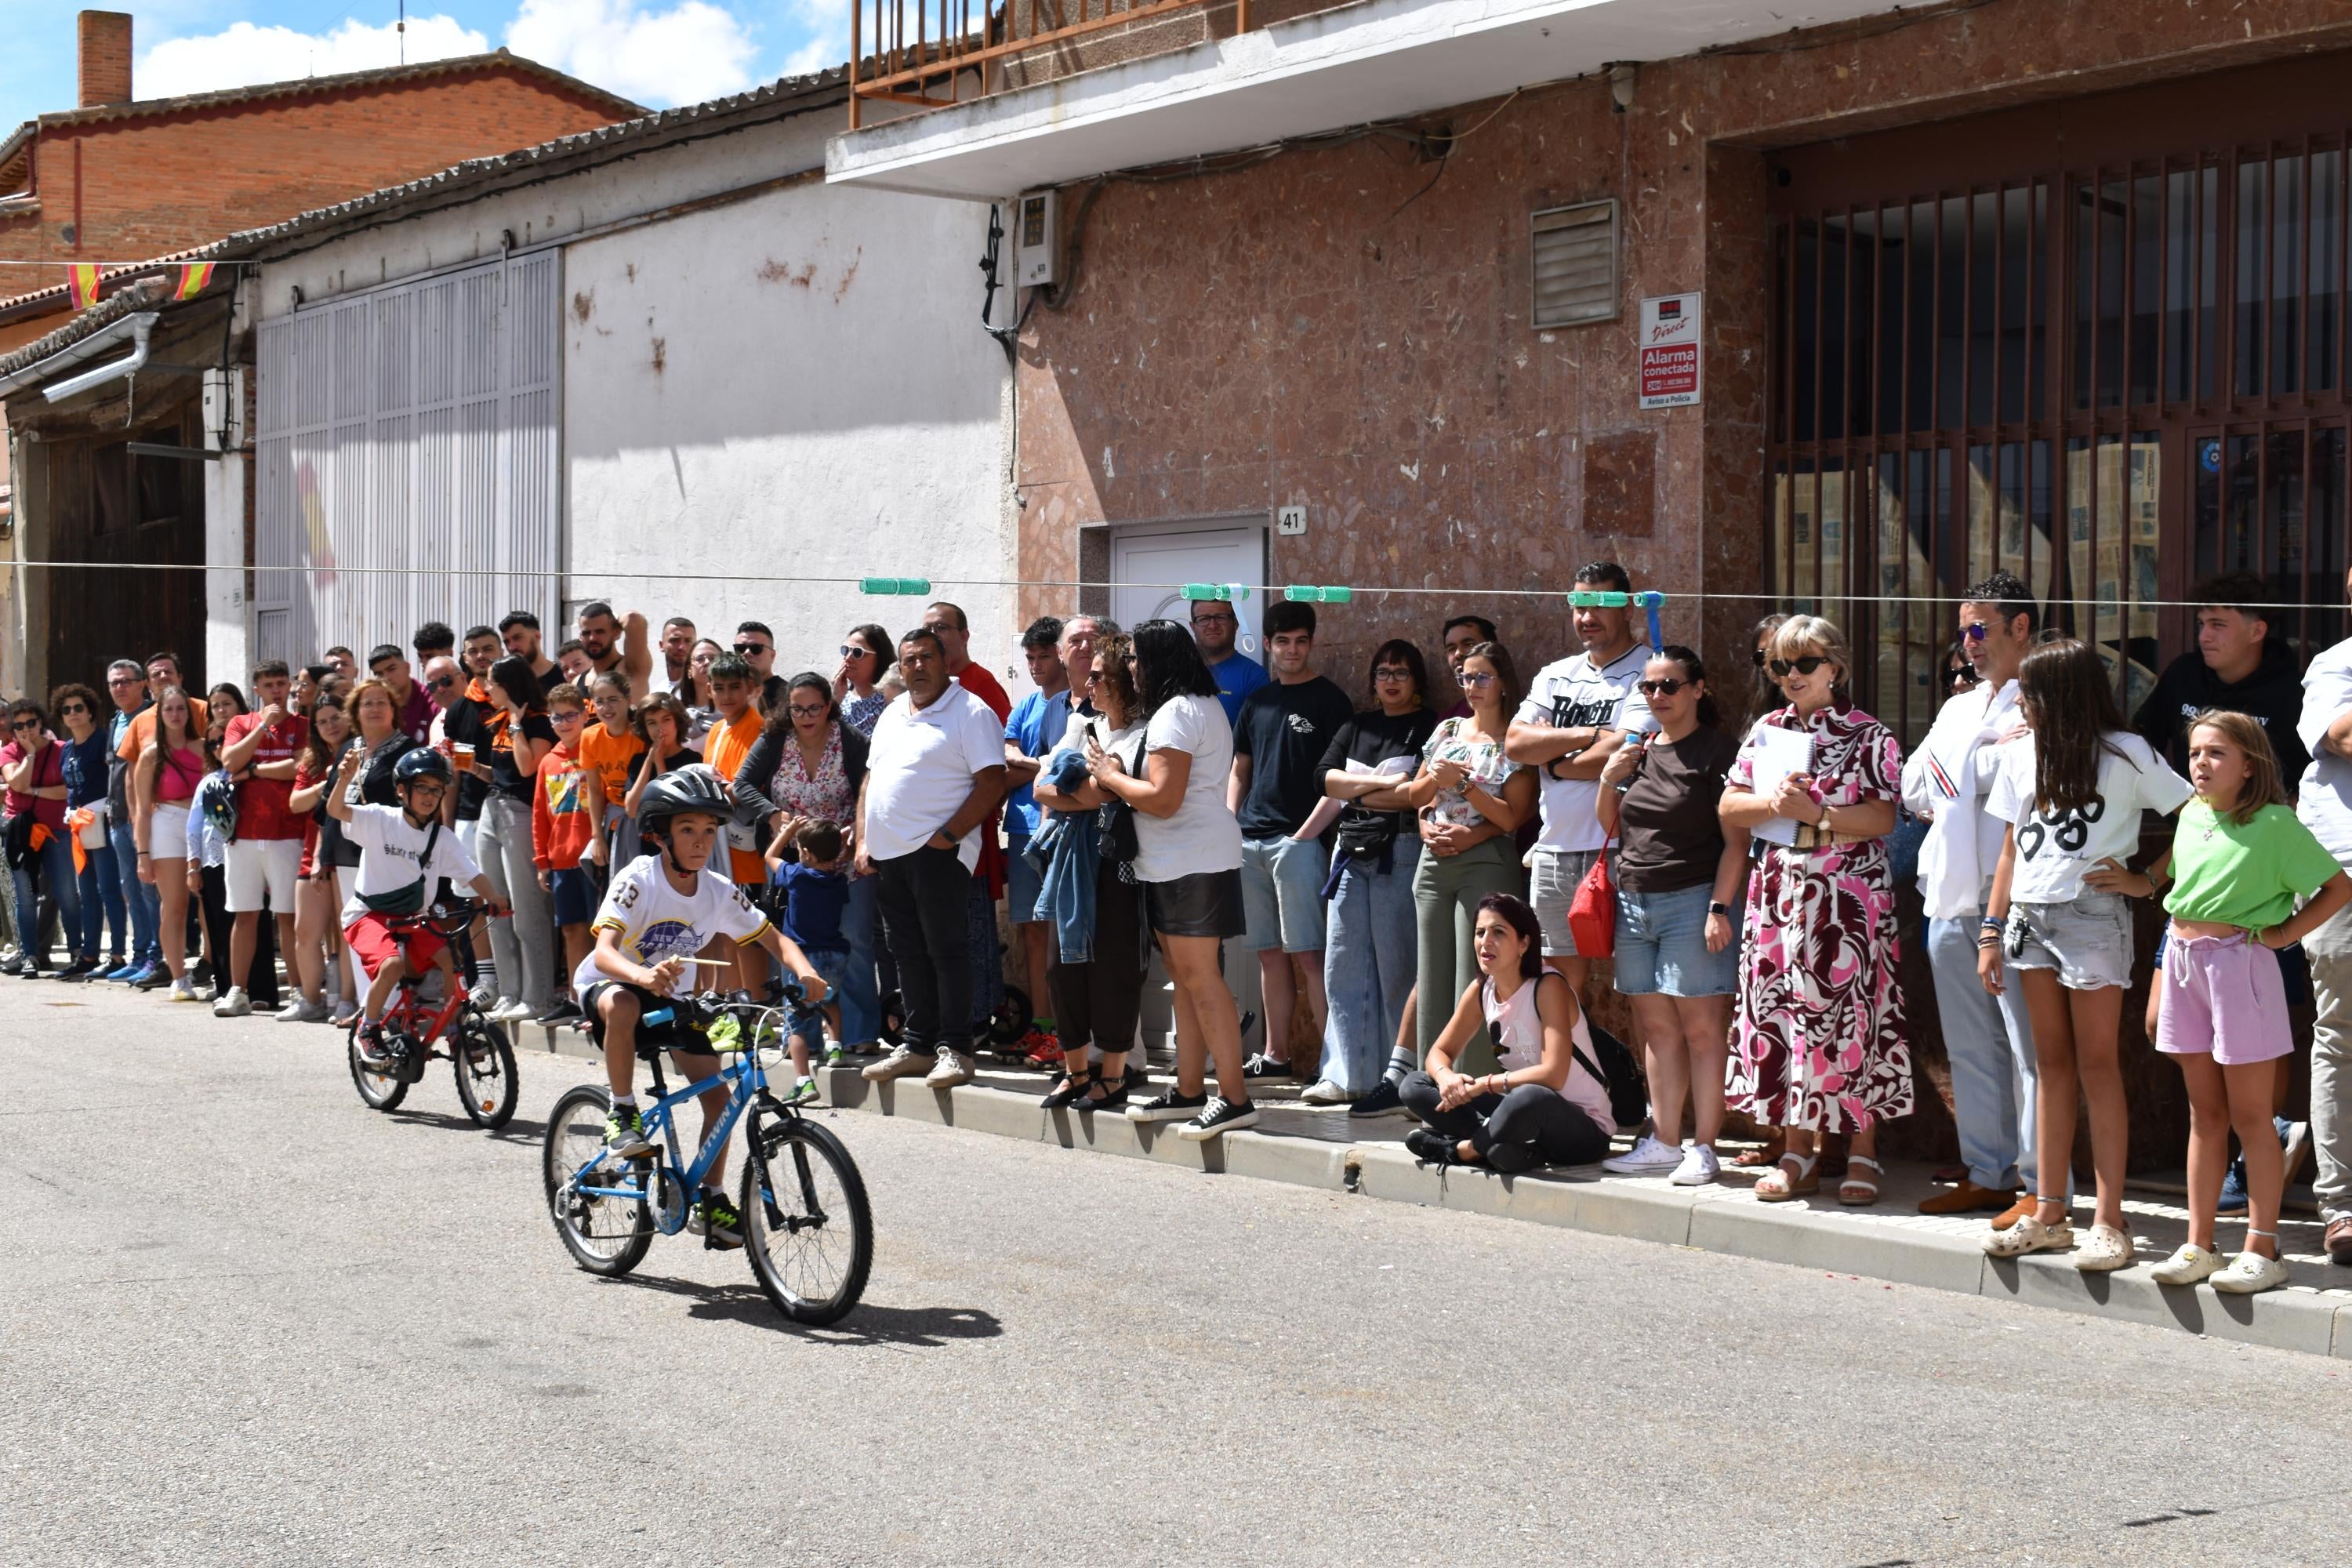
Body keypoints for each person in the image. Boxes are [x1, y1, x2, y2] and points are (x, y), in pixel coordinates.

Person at [2104, 712, 2343, 1294]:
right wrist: (2140, 883)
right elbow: (2174, 877)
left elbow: (2338, 886)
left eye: (2215, 753)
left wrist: (2284, 936)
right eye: (2194, 754)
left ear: (2249, 764)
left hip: (2242, 965)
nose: (2201, 765)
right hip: (2184, 964)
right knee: (2204, 1115)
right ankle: (2200, 1243)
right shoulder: (2192, 815)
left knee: (2251, 1117)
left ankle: (2263, 1247)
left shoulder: (2276, 824)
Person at [1979, 637, 2191, 1267]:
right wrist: (1991, 932)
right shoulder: (2021, 755)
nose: (2023, 703)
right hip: (2030, 918)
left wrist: (2148, 880)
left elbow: (2200, 815)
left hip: (2096, 917)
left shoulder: (2126, 753)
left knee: (2098, 1065)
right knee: (2051, 1066)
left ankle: (2108, 1218)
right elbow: (2012, 849)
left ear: (2063, 694)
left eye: (2032, 692)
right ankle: (2049, 1211)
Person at [582, 766, 830, 1248]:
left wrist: (805, 972)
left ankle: (710, 1199)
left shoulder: (717, 888)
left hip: (673, 997)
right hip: (612, 984)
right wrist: (641, 974)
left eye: (709, 831)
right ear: (662, 836)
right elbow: (604, 952)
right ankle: (622, 1111)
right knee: (625, 1002)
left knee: (719, 1099)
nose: (700, 841)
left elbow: (775, 939)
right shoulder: (639, 878)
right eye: (688, 830)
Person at [1719, 615, 1909, 1207]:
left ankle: (1860, 1151)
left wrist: (1818, 816)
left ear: (1835, 666)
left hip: (1849, 899)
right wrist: (1770, 802)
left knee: (1852, 1021)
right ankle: (1797, 1149)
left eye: (1805, 663)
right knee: (1789, 1019)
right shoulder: (1767, 731)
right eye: (1780, 665)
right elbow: (1729, 803)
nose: (1792, 676)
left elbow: (1883, 817)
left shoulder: (1870, 734)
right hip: (1779, 895)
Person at [1901, 573, 2043, 1220]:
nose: (1969, 642)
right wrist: (1976, 769)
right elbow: (1913, 784)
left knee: (2027, 1045)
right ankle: (1988, 1172)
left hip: (2015, 894)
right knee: (1967, 1044)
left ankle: (2043, 1184)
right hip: (1950, 891)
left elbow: (2029, 778)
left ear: (2020, 627)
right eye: (1964, 630)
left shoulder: (2046, 695)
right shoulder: (1959, 707)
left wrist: (1965, 775)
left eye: (1980, 628)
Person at [1593, 646, 1748, 1186]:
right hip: (1635, 898)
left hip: (1694, 897)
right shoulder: (1641, 748)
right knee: (1657, 1028)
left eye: (1669, 686)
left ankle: (1705, 1147)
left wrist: (1719, 908)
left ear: (1698, 689)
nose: (1657, 696)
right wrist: (1611, 776)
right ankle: (1664, 1139)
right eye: (1648, 688)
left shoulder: (1717, 751)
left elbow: (1737, 842)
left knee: (1703, 1029)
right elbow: (1611, 822)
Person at [1095, 619, 1256, 1140]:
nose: (1133, 668)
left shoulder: (1177, 714)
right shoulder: (1191, 708)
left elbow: (1164, 801)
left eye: (1139, 659)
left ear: (1160, 662)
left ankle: (1234, 1098)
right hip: (1178, 862)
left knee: (1202, 980)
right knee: (1186, 981)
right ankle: (1189, 1089)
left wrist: (1111, 777)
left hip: (1191, 862)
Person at [856, 628, 1008, 1090]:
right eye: (909, 660)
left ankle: (957, 1050)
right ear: (899, 667)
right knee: (907, 954)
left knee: (947, 952)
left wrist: (948, 836)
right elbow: (870, 781)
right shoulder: (892, 713)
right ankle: (919, 1044)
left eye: (926, 657)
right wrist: (863, 840)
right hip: (888, 855)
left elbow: (992, 782)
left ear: (946, 661)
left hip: (937, 853)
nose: (917, 666)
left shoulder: (971, 712)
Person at [1505, 561, 1658, 998]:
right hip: (1553, 851)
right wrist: (1589, 735)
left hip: (1620, 850)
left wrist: (1555, 762)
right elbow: (1515, 742)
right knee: (1556, 986)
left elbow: (1627, 749)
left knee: (1639, 989)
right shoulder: (1556, 673)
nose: (1587, 616)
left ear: (1627, 607)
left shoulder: (1651, 670)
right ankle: (1565, 1069)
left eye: (1599, 604)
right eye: (1578, 604)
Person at [1397, 641, 1536, 1091]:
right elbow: (1416, 796)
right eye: (1465, 677)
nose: (1472, 686)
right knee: (1433, 977)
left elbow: (1513, 817)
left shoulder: (1515, 739)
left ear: (1503, 683)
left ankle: (1478, 1086)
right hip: (1434, 861)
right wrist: (1423, 823)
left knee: (1475, 974)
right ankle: (1433, 1086)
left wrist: (1467, 788)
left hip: (1486, 862)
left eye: (1481, 677)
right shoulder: (1448, 731)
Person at [1306, 638, 1439, 1103]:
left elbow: (1415, 794)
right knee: (1342, 965)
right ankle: (1343, 1076)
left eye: (1401, 673)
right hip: (1349, 850)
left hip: (1400, 850)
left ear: (1417, 680)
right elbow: (1323, 777)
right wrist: (1382, 785)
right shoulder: (1356, 724)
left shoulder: (1431, 727)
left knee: (1397, 965)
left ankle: (1395, 1077)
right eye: (1383, 672)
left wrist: (1354, 789)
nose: (1391, 681)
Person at [1399, 893, 1616, 1171]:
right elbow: (1439, 1053)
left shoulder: (1548, 987)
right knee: (1414, 1085)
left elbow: (1554, 1074)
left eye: (1498, 932)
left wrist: (1485, 1084)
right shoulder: (1481, 989)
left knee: (1531, 1096)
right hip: (1521, 1115)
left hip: (1583, 1129)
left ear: (1524, 943)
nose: (1485, 941)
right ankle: (1500, 1146)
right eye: (1479, 932)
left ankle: (1464, 1150)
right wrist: (1446, 1079)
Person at [1229, 599, 1353, 1078]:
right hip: (1250, 841)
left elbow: (1342, 779)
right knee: (1269, 954)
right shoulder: (1257, 702)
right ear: (1268, 645)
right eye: (1283, 642)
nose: (1293, 650)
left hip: (1300, 843)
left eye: (1302, 641)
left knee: (1309, 955)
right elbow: (1241, 768)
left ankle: (1335, 1065)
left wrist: (1305, 837)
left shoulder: (1331, 700)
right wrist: (1229, 821)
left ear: (1312, 643)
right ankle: (1276, 1055)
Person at [326, 747, 503, 1067]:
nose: (430, 795)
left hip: (413, 918)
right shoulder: (381, 819)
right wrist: (344, 779)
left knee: (451, 961)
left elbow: (473, 874)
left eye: (437, 789)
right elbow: (337, 810)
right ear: (401, 790)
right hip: (368, 916)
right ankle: (368, 1029)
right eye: (421, 786)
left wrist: (497, 900)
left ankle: (455, 1033)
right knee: (392, 966)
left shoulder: (442, 838)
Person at [1031, 627, 1147, 1112]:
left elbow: (1107, 793)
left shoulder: (1143, 731)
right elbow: (1042, 788)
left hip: (1119, 862)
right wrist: (1089, 788)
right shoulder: (1083, 725)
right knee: (1062, 969)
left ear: (1121, 680)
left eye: (1100, 676)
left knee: (1114, 969)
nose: (1090, 683)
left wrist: (1090, 789)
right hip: (1073, 858)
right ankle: (1075, 1071)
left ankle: (1114, 1076)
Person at [731, 672, 875, 1046]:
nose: (806, 716)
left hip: (844, 863)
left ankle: (859, 1036)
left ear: (828, 706)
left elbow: (871, 785)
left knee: (853, 942)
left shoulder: (850, 740)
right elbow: (742, 784)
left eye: (814, 707)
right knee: (795, 945)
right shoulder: (775, 739)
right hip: (795, 866)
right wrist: (772, 814)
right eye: (798, 709)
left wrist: (858, 836)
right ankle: (802, 1037)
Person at [2133, 572, 2310, 783]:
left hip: (2266, 815)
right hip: (2190, 814)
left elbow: (2310, 771)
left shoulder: (2293, 692)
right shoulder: (2183, 674)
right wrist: (2174, 801)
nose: (2203, 636)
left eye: (2218, 625)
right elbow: (2142, 743)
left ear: (2256, 632)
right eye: (2201, 624)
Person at [214, 661, 310, 1018]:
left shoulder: (302, 726)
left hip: (287, 833)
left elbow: (298, 767)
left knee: (287, 916)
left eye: (281, 683)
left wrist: (252, 770)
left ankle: (300, 993)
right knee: (245, 914)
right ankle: (238, 991)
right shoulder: (241, 723)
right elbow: (229, 760)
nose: (276, 691)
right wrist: (262, 730)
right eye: (269, 685)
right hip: (244, 835)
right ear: (257, 690)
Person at [1002, 615, 1077, 1059]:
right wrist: (1042, 763)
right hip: (1021, 830)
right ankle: (1042, 1024)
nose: (1035, 665)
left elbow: (1060, 766)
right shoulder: (1026, 706)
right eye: (1029, 657)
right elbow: (1006, 758)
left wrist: (1032, 764)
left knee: (1061, 932)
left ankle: (1068, 1032)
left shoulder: (1076, 705)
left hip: (1061, 828)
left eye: (1044, 656)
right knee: (1031, 931)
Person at [471, 655, 557, 1023]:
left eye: (492, 682)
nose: (487, 688)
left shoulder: (535, 722)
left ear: (509, 684)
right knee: (497, 906)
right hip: (492, 809)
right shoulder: (503, 722)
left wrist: (519, 725)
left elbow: (526, 769)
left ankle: (538, 997)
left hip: (520, 815)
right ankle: (509, 992)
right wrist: (470, 767)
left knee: (526, 909)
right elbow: (502, 774)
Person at [532, 684, 608, 1025]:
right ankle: (579, 1000)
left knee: (600, 929)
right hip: (560, 859)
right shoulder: (548, 761)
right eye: (557, 717)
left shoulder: (596, 748)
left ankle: (602, 996)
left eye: (571, 715)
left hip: (593, 857)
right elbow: (539, 814)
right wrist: (541, 861)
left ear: (585, 713)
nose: (564, 722)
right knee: (571, 931)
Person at [765, 818, 851, 1099]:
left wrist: (787, 832)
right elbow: (838, 861)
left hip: (803, 958)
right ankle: (835, 1045)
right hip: (836, 954)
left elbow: (770, 857)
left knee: (797, 1022)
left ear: (806, 854)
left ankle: (803, 1080)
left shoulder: (797, 876)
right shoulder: (838, 881)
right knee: (831, 1002)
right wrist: (843, 849)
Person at [132, 688, 207, 1001]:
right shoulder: (151, 755)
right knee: (175, 906)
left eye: (181, 709)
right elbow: (141, 809)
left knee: (209, 901)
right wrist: (143, 854)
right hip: (167, 824)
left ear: (189, 714)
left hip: (204, 824)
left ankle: (216, 968)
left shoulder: (203, 749)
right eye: (169, 710)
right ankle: (179, 977)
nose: (176, 715)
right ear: (160, 715)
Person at [285, 687, 352, 1023]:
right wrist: (324, 784)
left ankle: (346, 1000)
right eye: (322, 721)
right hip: (312, 854)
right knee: (305, 932)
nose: (329, 725)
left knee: (347, 931)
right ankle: (311, 1000)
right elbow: (295, 804)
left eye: (335, 718)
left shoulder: (358, 752)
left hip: (346, 854)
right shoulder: (311, 761)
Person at [51, 684, 122, 982]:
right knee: (87, 893)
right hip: (78, 826)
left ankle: (117, 954)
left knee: (109, 889)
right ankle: (89, 955)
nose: (72, 714)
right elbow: (69, 788)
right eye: (66, 710)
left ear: (90, 710)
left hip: (103, 820)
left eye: (78, 707)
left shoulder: (104, 741)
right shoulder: (66, 749)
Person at [2, 699, 75, 977]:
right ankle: (30, 955)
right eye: (18, 725)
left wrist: (32, 791)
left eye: (30, 723)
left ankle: (78, 952)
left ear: (41, 723)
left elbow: (67, 791)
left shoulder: (61, 750)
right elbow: (16, 783)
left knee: (67, 894)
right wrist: (30, 754)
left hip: (57, 830)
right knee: (26, 896)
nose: (25, 730)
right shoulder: (10, 751)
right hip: (22, 834)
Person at [100, 659, 161, 985]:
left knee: (150, 890)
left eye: (126, 681)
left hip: (144, 818)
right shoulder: (116, 721)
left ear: (142, 684)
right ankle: (140, 956)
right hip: (117, 818)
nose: (120, 687)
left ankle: (157, 956)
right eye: (114, 683)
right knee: (131, 892)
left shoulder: (152, 718)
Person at [578, 671, 645, 869]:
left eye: (613, 700)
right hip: (614, 821)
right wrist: (597, 837)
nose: (606, 708)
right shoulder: (589, 737)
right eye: (600, 701)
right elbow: (595, 790)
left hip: (643, 822)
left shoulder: (641, 735)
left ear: (629, 700)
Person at [1189, 595, 1267, 723]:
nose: (1213, 625)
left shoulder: (1254, 677)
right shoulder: (1178, 672)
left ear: (1235, 624)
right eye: (1204, 619)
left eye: (1221, 618)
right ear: (1193, 626)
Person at [575, 601, 652, 696]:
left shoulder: (630, 669)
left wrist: (613, 619)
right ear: (581, 637)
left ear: (616, 633)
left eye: (600, 632)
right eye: (586, 633)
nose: (592, 638)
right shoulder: (577, 682)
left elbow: (633, 618)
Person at [366, 644, 434, 743]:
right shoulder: (375, 709)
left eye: (391, 669)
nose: (386, 678)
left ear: (407, 668)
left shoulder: (432, 703)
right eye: (379, 674)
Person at [835, 623, 893, 737]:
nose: (848, 658)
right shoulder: (840, 699)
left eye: (857, 652)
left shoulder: (889, 700)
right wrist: (835, 699)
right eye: (846, 650)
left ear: (879, 658)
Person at [1438, 615, 1497, 718]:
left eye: (1469, 644)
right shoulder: (1447, 723)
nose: (1458, 653)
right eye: (1451, 648)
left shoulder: (1524, 718)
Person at [732, 621, 789, 718]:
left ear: (772, 656)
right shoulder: (726, 690)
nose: (747, 653)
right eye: (740, 648)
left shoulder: (787, 694)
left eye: (756, 648)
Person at [499, 610, 563, 693]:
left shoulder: (564, 675)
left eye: (517, 638)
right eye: (507, 642)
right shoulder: (507, 682)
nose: (511, 647)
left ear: (537, 636)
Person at [681, 637, 723, 741]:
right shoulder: (677, 713)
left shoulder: (733, 709)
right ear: (689, 671)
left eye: (713, 658)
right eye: (700, 659)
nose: (707, 662)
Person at [659, 615, 697, 699]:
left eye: (688, 641)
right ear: (662, 645)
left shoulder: (702, 689)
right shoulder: (658, 692)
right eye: (675, 640)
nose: (682, 647)